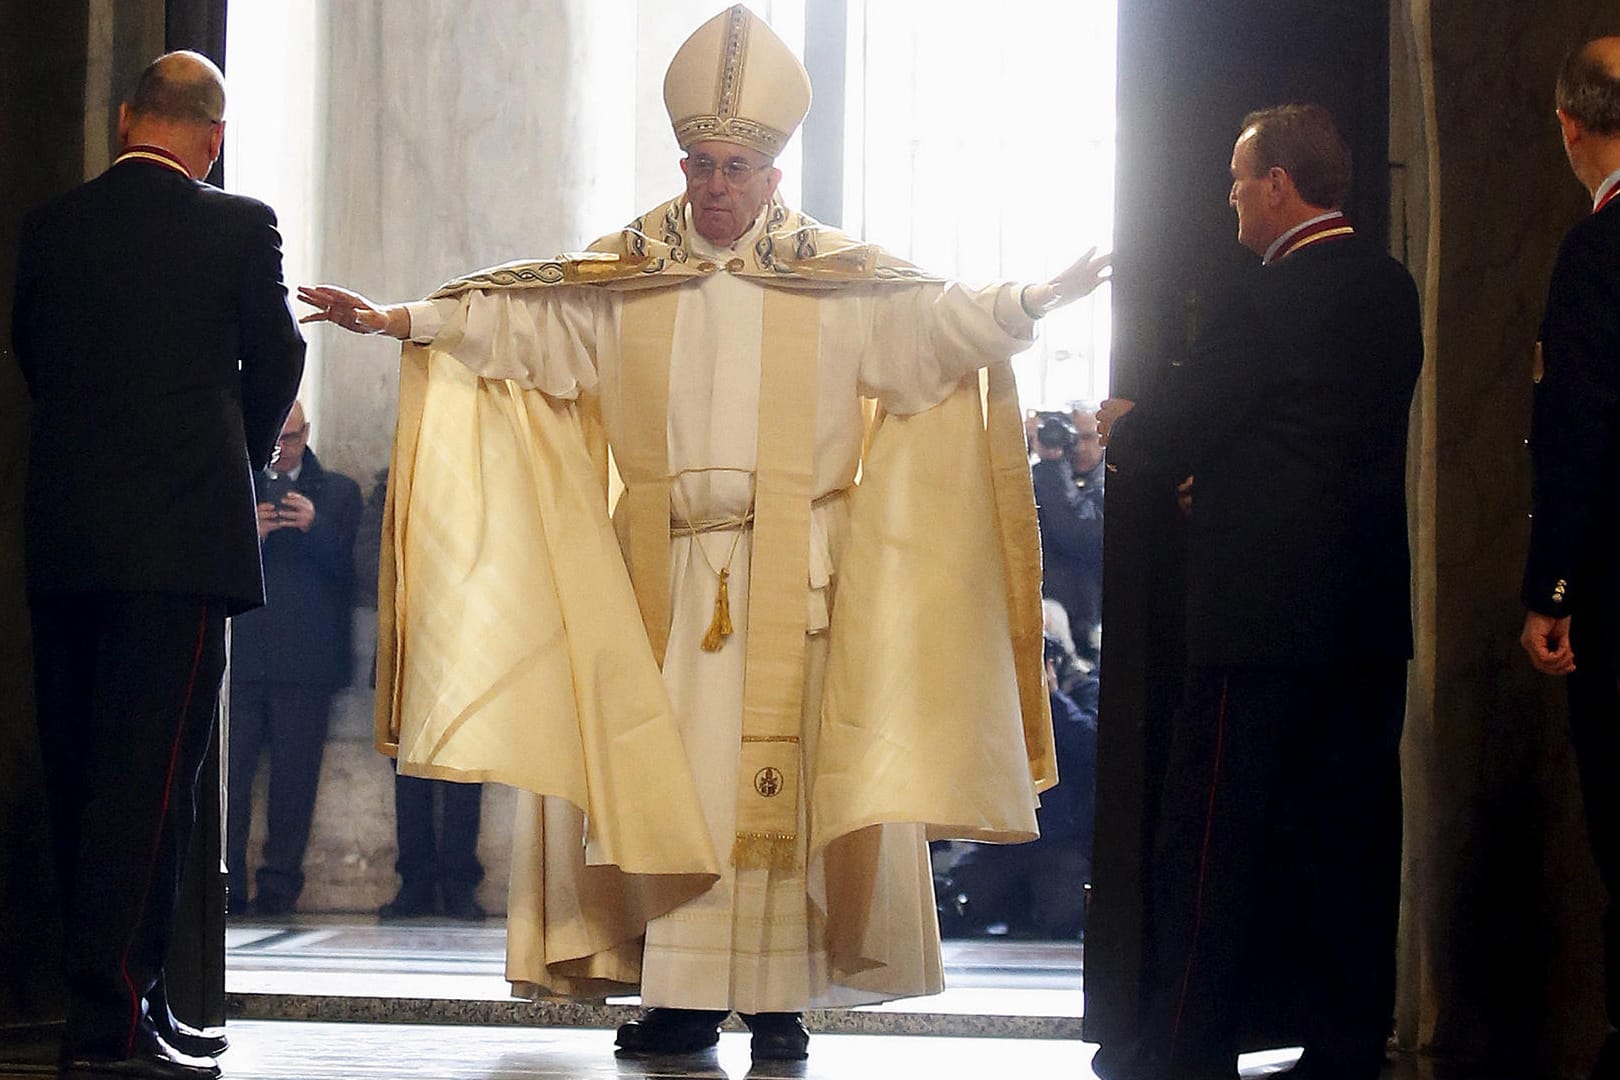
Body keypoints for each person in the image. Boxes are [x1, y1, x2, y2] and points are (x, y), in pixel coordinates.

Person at [298, 4, 1108, 1063]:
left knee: (783, 790)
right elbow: (524, 323)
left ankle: (779, 999)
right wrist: (404, 319)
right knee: (668, 789)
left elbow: (939, 327)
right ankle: (676, 994)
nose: (716, 187)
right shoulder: (628, 276)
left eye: (736, 167)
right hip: (664, 575)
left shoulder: (837, 280)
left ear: (774, 175)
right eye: (700, 166)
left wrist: (1033, 300)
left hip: (796, 574)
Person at [1093, 103, 1422, 1080]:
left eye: (1241, 179)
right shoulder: (1392, 287)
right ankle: (1348, 1047)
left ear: (1280, 183)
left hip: (1258, 619)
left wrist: (1127, 429)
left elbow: (1183, 424)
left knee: (1212, 842)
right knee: (1351, 841)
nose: (1232, 198)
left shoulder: (1263, 296)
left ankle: (1186, 1048)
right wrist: (1226, 471)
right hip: (1362, 614)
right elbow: (1311, 435)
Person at [11, 50, 303, 1080]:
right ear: (212, 137)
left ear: (128, 117)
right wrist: (246, 451)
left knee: (86, 778)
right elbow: (279, 356)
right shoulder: (238, 224)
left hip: (67, 541)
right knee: (153, 786)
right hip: (179, 548)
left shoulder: (49, 227)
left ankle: (140, 1003)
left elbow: (34, 357)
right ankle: (116, 1027)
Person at [1518, 37, 1620, 1080]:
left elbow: (1580, 432)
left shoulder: (1597, 253)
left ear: (1570, 127)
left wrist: (1550, 589)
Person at [227, 401, 361, 917]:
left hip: (307, 663)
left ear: (308, 433)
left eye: (294, 438)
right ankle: (229, 887)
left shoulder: (340, 492)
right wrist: (251, 536)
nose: (284, 451)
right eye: (275, 439)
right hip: (243, 656)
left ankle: (280, 886)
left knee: (294, 785)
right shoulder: (237, 484)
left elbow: (355, 571)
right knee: (232, 785)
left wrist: (314, 527)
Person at [353, 470, 488, 922]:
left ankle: (458, 883)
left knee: (464, 772)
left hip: (466, 644)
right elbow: (367, 562)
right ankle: (415, 880)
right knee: (407, 772)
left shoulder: (480, 482)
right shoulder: (388, 486)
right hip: (406, 644)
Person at [1031, 411, 1104, 660]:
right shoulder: (1041, 480)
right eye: (1074, 438)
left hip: (1087, 628)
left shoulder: (1111, 484)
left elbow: (1077, 532)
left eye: (1089, 437)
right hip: (1046, 621)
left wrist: (1052, 466)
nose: (1080, 447)